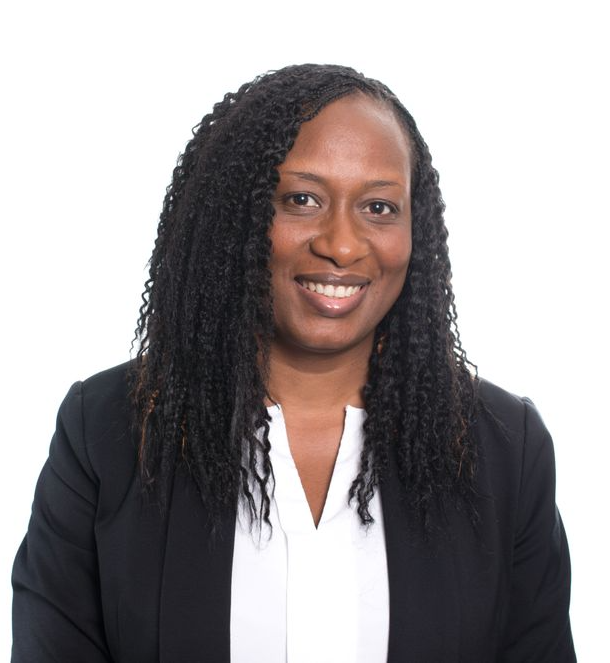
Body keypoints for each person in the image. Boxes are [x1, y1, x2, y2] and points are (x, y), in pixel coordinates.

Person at [11, 64, 576, 662]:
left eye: (379, 207)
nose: (342, 244)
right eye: (301, 199)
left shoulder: (502, 448)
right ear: (235, 215)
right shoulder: (109, 432)